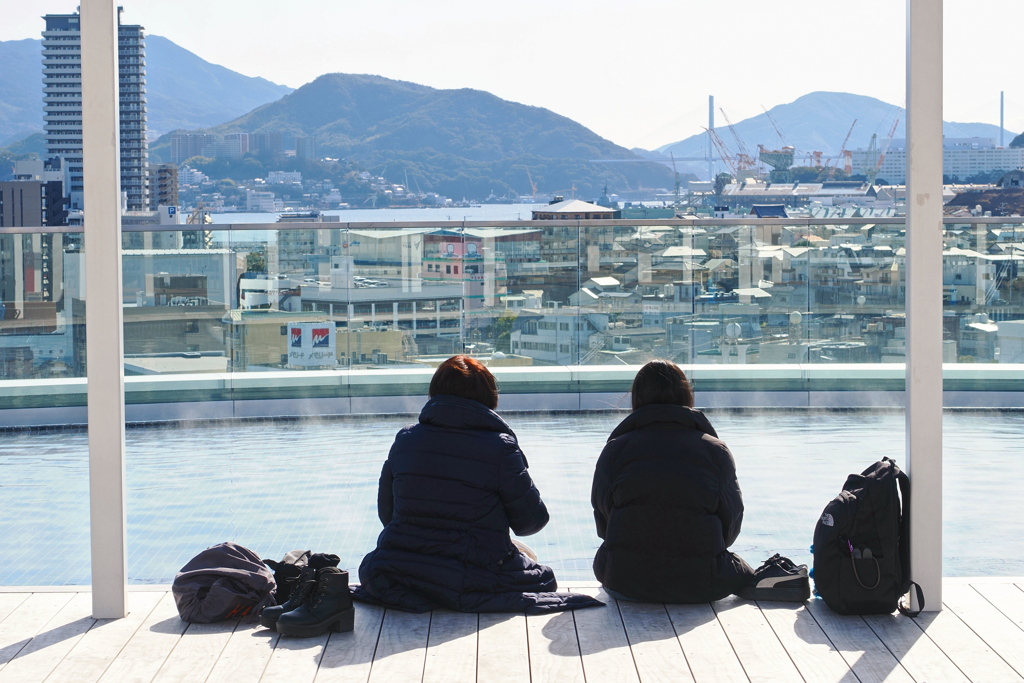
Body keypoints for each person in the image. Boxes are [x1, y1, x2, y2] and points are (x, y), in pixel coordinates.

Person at [355, 355, 602, 614]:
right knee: (542, 576)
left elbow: (388, 514)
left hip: (403, 566)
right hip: (473, 572)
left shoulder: (405, 440)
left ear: (435, 393)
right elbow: (530, 523)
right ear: (489, 397)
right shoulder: (499, 447)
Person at [591, 360, 761, 603]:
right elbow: (731, 522)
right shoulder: (716, 451)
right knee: (743, 568)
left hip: (625, 580)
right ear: (686, 396)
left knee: (606, 558)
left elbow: (603, 520)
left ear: (637, 398)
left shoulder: (616, 450)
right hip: (703, 583)